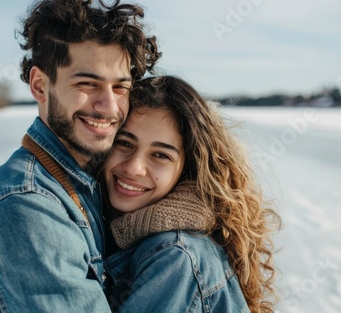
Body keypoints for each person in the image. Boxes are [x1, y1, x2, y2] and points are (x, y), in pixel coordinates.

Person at [0, 0, 160, 312]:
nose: (108, 106)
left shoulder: (88, 181)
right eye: (87, 84)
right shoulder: (26, 206)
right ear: (40, 85)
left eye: (121, 87)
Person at [100, 76, 281, 312]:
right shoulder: (110, 221)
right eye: (124, 143)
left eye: (161, 155)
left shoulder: (176, 256)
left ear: (188, 169)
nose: (134, 167)